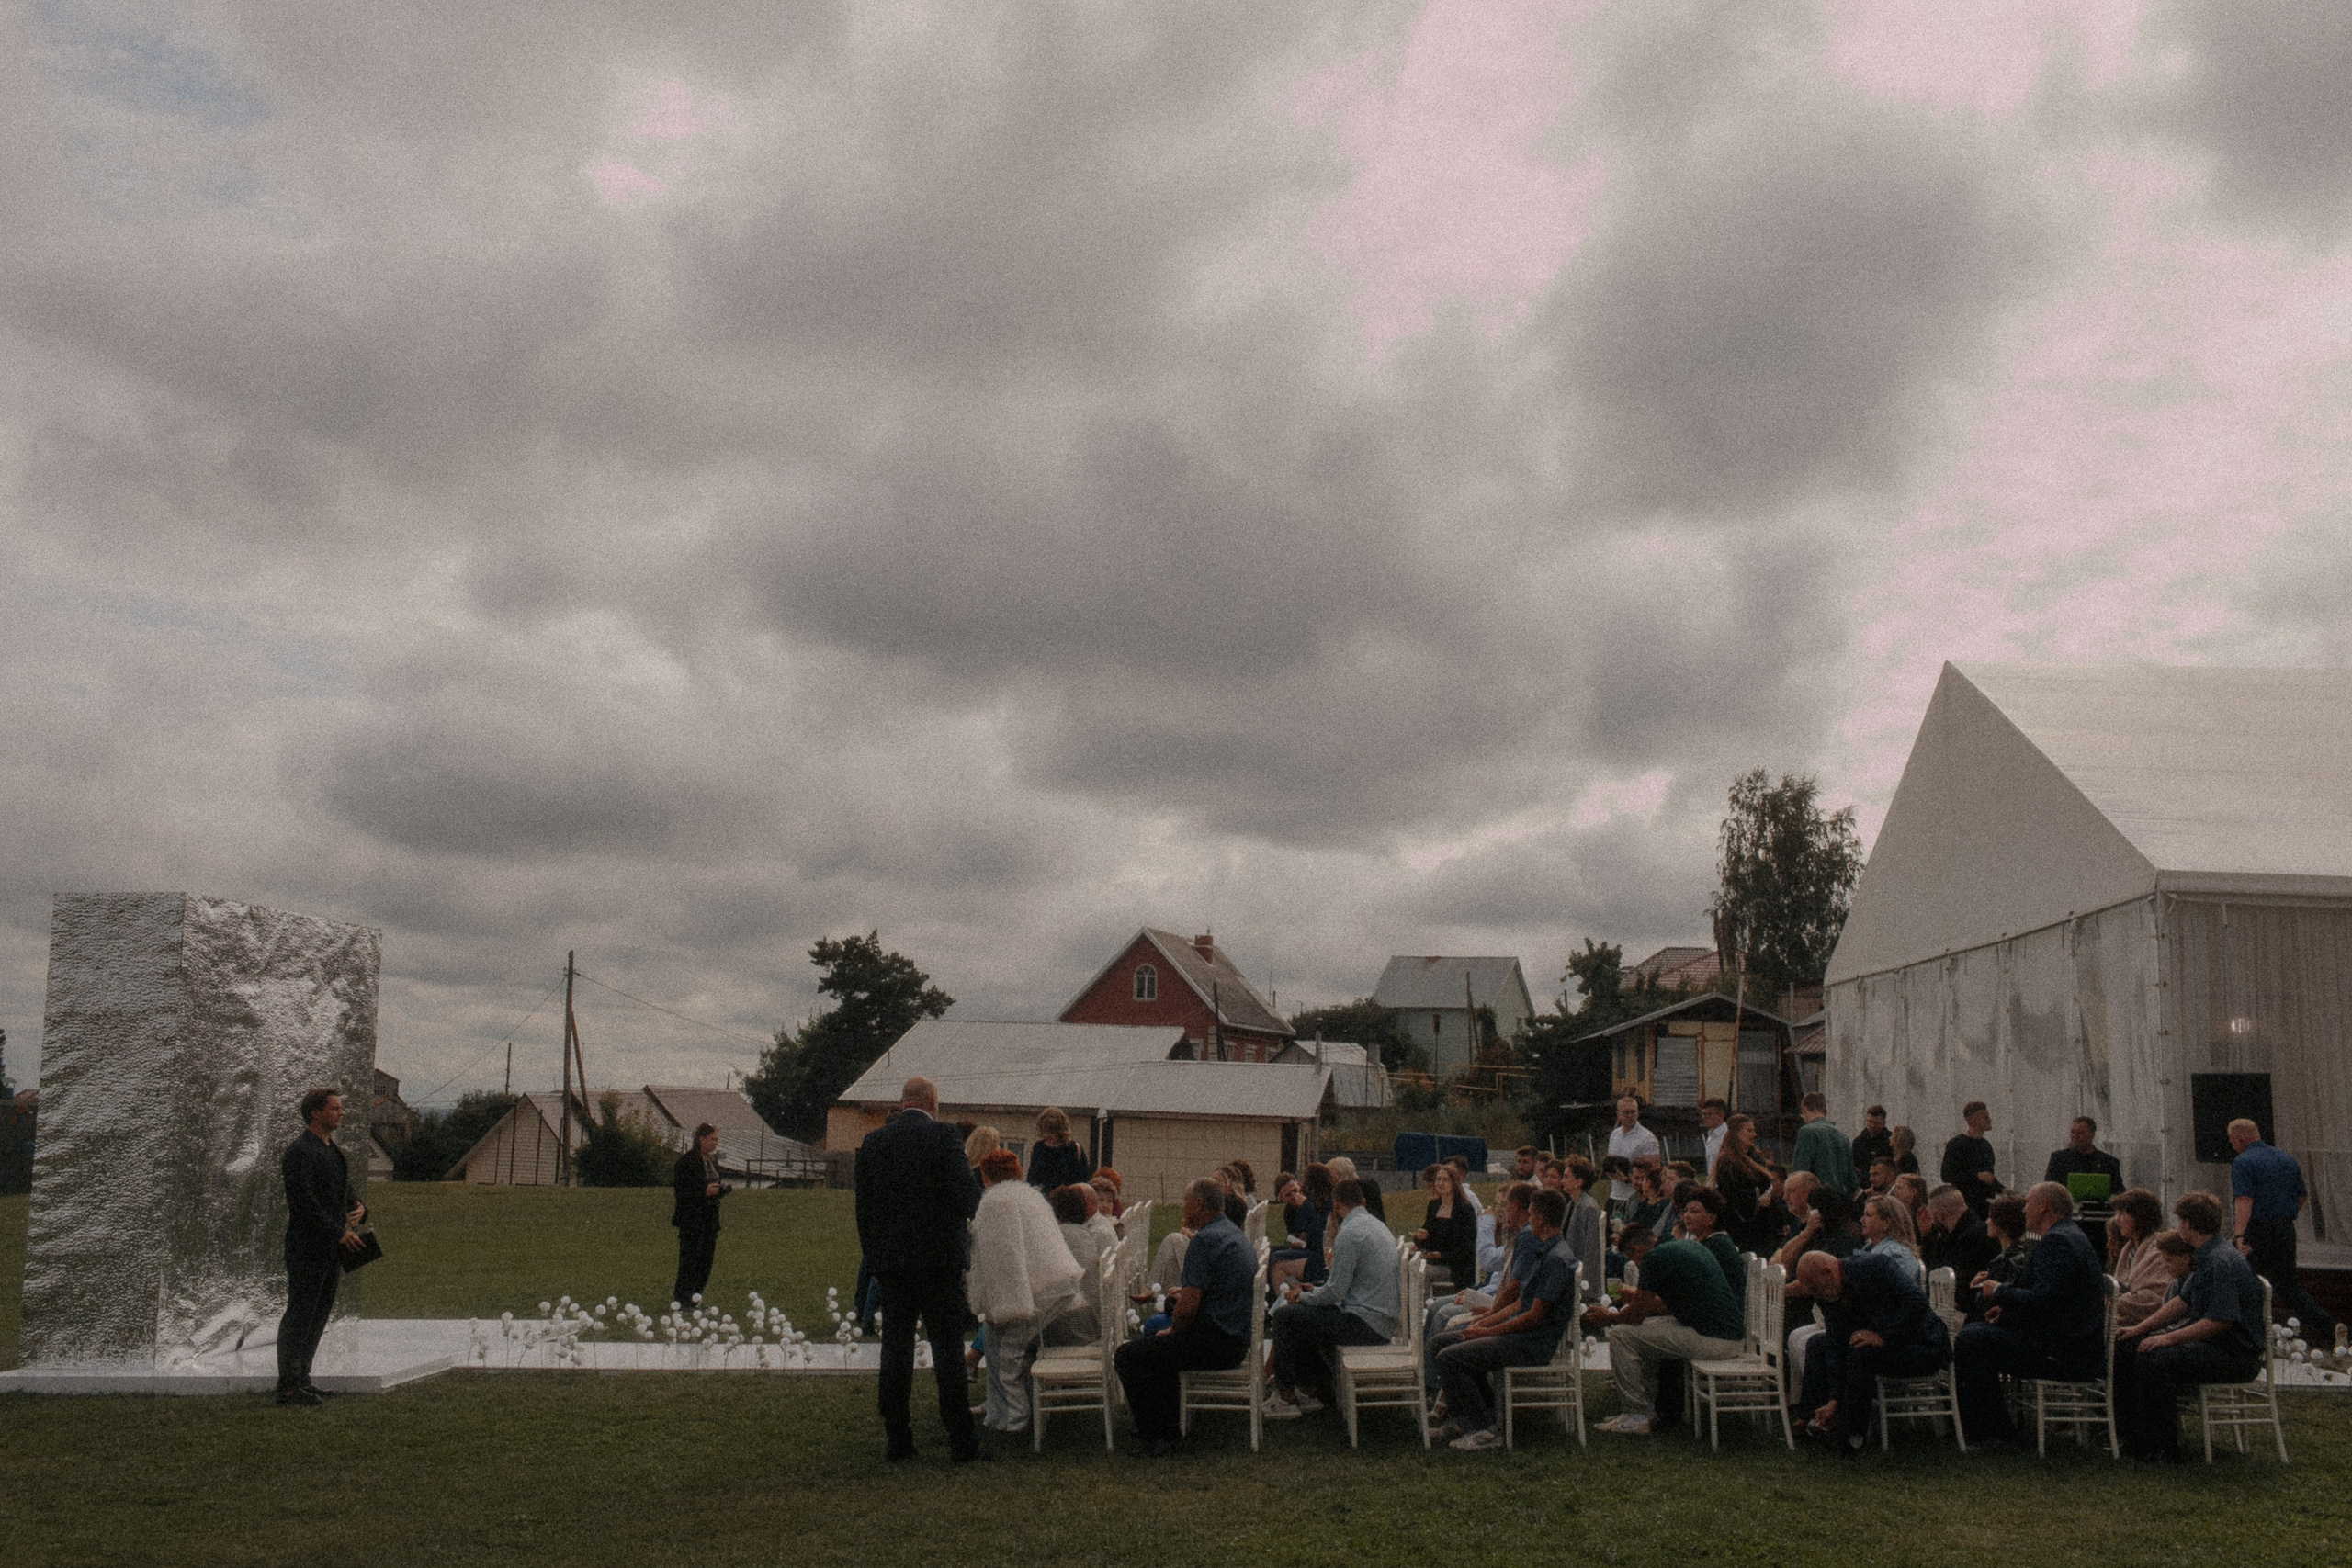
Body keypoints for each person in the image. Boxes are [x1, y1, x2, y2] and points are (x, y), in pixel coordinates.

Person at [854, 1076, 985, 1462]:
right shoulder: (944, 1137)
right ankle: (960, 1440)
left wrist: (875, 1260)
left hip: (893, 1264)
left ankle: (898, 1439)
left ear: (902, 1102)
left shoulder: (874, 1142)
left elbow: (864, 1210)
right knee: (947, 1350)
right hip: (939, 1262)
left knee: (895, 1350)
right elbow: (967, 1199)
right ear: (932, 1101)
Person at [2112, 1198, 2268, 1462]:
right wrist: (2139, 1329)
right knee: (2126, 1346)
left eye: (2179, 1221)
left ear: (2188, 1223)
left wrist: (2167, 1339)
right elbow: (2182, 1302)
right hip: (2214, 1346)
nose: (2177, 1227)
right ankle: (2131, 1435)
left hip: (2234, 1354)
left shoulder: (2221, 1262)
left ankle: (2163, 1446)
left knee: (2154, 1360)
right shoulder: (2205, 1256)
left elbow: (2220, 1321)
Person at [1952, 1181, 2103, 1452]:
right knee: (1975, 1334)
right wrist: (2007, 1311)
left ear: (2043, 1206)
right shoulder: (2067, 1236)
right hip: (2065, 1341)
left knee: (1972, 1340)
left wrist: (1999, 1291)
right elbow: (2051, 1297)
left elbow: (2045, 1298)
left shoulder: (2058, 1242)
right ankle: (1989, 1429)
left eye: (2028, 1203)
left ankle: (1995, 1434)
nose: (2024, 1210)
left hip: (2063, 1351)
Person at [1116, 1177, 1258, 1458]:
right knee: (1162, 1352)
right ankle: (1164, 1429)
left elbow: (1188, 1308)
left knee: (1128, 1356)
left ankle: (1159, 1436)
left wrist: (1174, 1330)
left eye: (1185, 1201)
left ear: (1199, 1204)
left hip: (1217, 1343)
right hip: (1235, 1337)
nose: (1182, 1207)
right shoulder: (1232, 1231)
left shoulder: (1204, 1240)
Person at [1434, 1189, 1578, 1450]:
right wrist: (1485, 1322)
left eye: (1532, 1215)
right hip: (1518, 1336)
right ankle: (1476, 1418)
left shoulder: (1556, 1259)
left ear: (1542, 1219)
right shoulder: (1544, 1251)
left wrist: (1488, 1332)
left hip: (1530, 1344)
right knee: (1440, 1343)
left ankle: (1485, 1430)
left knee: (1450, 1357)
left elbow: (1534, 1317)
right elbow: (1520, 1303)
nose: (1529, 1220)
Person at [1589, 1213, 1747, 1436]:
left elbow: (1637, 1315)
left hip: (1714, 1340)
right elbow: (1664, 1306)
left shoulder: (1654, 1258)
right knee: (1640, 1332)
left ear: (1637, 1250)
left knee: (1621, 1335)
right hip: (1726, 1335)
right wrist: (1633, 1296)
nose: (1636, 1265)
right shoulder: (1680, 1246)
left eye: (1632, 1259)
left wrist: (1608, 1318)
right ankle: (1648, 1409)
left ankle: (1635, 1415)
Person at [1263, 1179, 1400, 1420]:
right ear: (1362, 1202)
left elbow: (1336, 1293)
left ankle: (1286, 1397)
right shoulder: (1376, 1225)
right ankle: (1310, 1389)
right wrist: (1314, 1290)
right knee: (1303, 1317)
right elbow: (1345, 1286)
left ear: (1336, 1205)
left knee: (1286, 1316)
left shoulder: (1350, 1233)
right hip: (1382, 1319)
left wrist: (1302, 1296)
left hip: (1366, 1324)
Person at [1792, 1247, 1951, 1454]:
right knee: (1818, 1344)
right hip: (1887, 1346)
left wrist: (1884, 1336)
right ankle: (1814, 1419)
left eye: (1815, 1288)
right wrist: (1834, 1397)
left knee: (1861, 1351)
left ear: (1827, 1272)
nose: (1815, 1295)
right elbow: (1835, 1342)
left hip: (1920, 1344)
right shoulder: (1828, 1294)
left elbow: (1916, 1302)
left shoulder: (1876, 1266)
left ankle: (1852, 1434)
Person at [968, 1151, 1083, 1435]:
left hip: (1036, 1291)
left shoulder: (995, 1202)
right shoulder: (1030, 1195)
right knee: (994, 1339)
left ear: (985, 1175)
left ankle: (1015, 1419)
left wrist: (1004, 1308)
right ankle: (996, 1408)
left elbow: (1005, 1259)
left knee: (1008, 1352)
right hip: (1055, 1285)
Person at [276, 1087, 367, 1406]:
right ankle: (288, 1386)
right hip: (307, 1247)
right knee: (300, 1313)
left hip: (330, 1248)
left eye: (340, 1108)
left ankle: (303, 1379)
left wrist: (359, 1207)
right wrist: (337, 1232)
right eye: (334, 1108)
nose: (341, 1113)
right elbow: (303, 1203)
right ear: (315, 1113)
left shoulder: (332, 1151)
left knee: (318, 1313)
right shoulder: (300, 1152)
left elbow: (344, 1190)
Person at [2229, 1117, 2337, 1339]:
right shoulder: (2286, 1158)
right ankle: (2331, 1329)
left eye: (2231, 1141)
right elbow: (2302, 1196)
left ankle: (2251, 1338)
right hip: (2285, 1229)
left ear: (2239, 1139)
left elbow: (2244, 1200)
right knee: (2289, 1287)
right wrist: (2283, 1214)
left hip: (2257, 1230)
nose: (2232, 1146)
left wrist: (2239, 1234)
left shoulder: (2243, 1162)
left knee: (2247, 1284)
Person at [670, 1122, 727, 1312]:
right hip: (692, 1219)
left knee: (705, 1260)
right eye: (713, 1139)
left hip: (710, 1218)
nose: (716, 1143)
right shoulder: (687, 1161)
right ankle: (682, 1298)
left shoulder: (711, 1160)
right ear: (701, 1139)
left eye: (717, 1139)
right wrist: (703, 1191)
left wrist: (719, 1191)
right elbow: (682, 1190)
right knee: (690, 1259)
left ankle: (695, 1297)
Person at [1044, 1186, 1105, 1347]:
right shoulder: (1085, 1235)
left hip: (1073, 1326)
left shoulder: (1058, 1237)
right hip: (1094, 1321)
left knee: (1013, 1328)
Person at [2105, 1187, 2172, 1328]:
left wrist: (2111, 1300)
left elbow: (2154, 1299)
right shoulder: (2128, 1250)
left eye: (2122, 1213)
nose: (2117, 1220)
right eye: (2117, 1213)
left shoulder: (2159, 1249)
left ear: (2139, 1216)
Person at [1712, 1114, 1778, 1255]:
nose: (1754, 1134)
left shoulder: (1755, 1156)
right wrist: (1756, 1200)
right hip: (1742, 1226)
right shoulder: (1728, 1162)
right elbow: (1728, 1193)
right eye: (1749, 1131)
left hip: (1763, 1221)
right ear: (1737, 1133)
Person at [1917, 1186, 1998, 1288]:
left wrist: (1927, 1239)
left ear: (1940, 1216)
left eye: (1933, 1216)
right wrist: (1927, 1236)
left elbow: (1935, 1275)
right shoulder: (1964, 1232)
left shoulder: (1968, 1240)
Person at [1271, 1163, 1333, 1293]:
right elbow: (1299, 1235)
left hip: (1320, 1255)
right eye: (1288, 1195)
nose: (1295, 1196)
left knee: (1276, 1259)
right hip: (1307, 1248)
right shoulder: (1292, 1210)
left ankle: (1292, 1298)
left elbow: (1318, 1234)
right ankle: (1293, 1296)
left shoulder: (1321, 1204)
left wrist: (1306, 1206)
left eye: (1296, 1190)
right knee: (1272, 1253)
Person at [1415, 1163, 1479, 1289]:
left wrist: (1441, 1255)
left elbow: (1466, 1248)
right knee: (1409, 1265)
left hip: (1456, 1267)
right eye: (1438, 1179)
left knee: (1422, 1272)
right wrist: (1420, 1237)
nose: (1441, 1183)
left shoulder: (1464, 1209)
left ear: (1454, 1183)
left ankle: (1423, 1301)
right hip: (1434, 1261)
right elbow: (1428, 1240)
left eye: (1445, 1180)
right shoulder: (1433, 1206)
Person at [1678, 1186, 1744, 1298]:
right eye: (1685, 1211)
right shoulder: (1704, 1241)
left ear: (1712, 1218)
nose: (1686, 1216)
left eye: (1694, 1211)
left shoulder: (1717, 1245)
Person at [1559, 1156, 1607, 1306]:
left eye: (1566, 1177)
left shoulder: (1588, 1207)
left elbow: (1592, 1250)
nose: (1562, 1181)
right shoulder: (1572, 1204)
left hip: (1581, 1279)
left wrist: (1586, 1288)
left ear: (1579, 1182)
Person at [1790, 1092, 1856, 1198]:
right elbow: (1851, 1178)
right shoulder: (1843, 1137)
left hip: (1817, 1198)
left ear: (1804, 1109)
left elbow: (1800, 1171)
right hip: (1841, 1198)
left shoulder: (1807, 1132)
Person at [1940, 1102, 1999, 1218]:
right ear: (1973, 1121)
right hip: (1965, 1206)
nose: (1989, 1120)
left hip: (1985, 1205)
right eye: (1985, 1117)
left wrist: (2002, 1189)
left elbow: (1988, 1176)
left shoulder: (1986, 1145)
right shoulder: (1956, 1144)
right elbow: (1946, 1175)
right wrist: (1977, 1176)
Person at [2043, 1115, 2124, 1192]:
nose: (2075, 1136)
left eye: (2080, 1133)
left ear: (2092, 1134)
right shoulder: (2059, 1160)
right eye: (2072, 1132)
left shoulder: (2109, 1162)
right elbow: (2049, 1190)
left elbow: (2118, 1192)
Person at [1607, 1097, 1661, 1207]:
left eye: (1633, 1112)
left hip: (1637, 1199)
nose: (1630, 1116)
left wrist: (1627, 1179)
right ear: (1618, 1114)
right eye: (1626, 1113)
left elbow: (1653, 1172)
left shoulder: (1647, 1138)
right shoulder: (1615, 1135)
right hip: (1615, 1195)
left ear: (1638, 1113)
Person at [1026, 1107, 1092, 1191]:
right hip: (1044, 1198)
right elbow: (1032, 1181)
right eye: (1047, 1132)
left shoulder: (1075, 1149)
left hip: (1069, 1198)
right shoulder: (1039, 1148)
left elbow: (1084, 1181)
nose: (1051, 1136)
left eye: (1054, 1132)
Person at [1620, 1162, 1672, 1246]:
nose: (1641, 1183)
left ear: (1649, 1183)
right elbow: (1632, 1223)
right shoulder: (1645, 1203)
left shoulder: (1662, 1205)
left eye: (1643, 1180)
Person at [1326, 1156, 1385, 1222]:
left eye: (1331, 1177)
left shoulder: (1352, 1194)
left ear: (1339, 1174)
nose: (1328, 1181)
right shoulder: (1368, 1189)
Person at [1850, 1105, 1894, 1179]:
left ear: (1884, 1122)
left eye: (1876, 1123)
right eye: (1870, 1122)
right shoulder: (1858, 1142)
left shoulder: (1891, 1141)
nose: (1872, 1125)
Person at [1698, 1099, 1729, 1180]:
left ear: (1720, 1115)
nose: (1704, 1118)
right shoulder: (1710, 1137)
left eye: (1708, 1115)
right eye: (1703, 1115)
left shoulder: (1728, 1136)